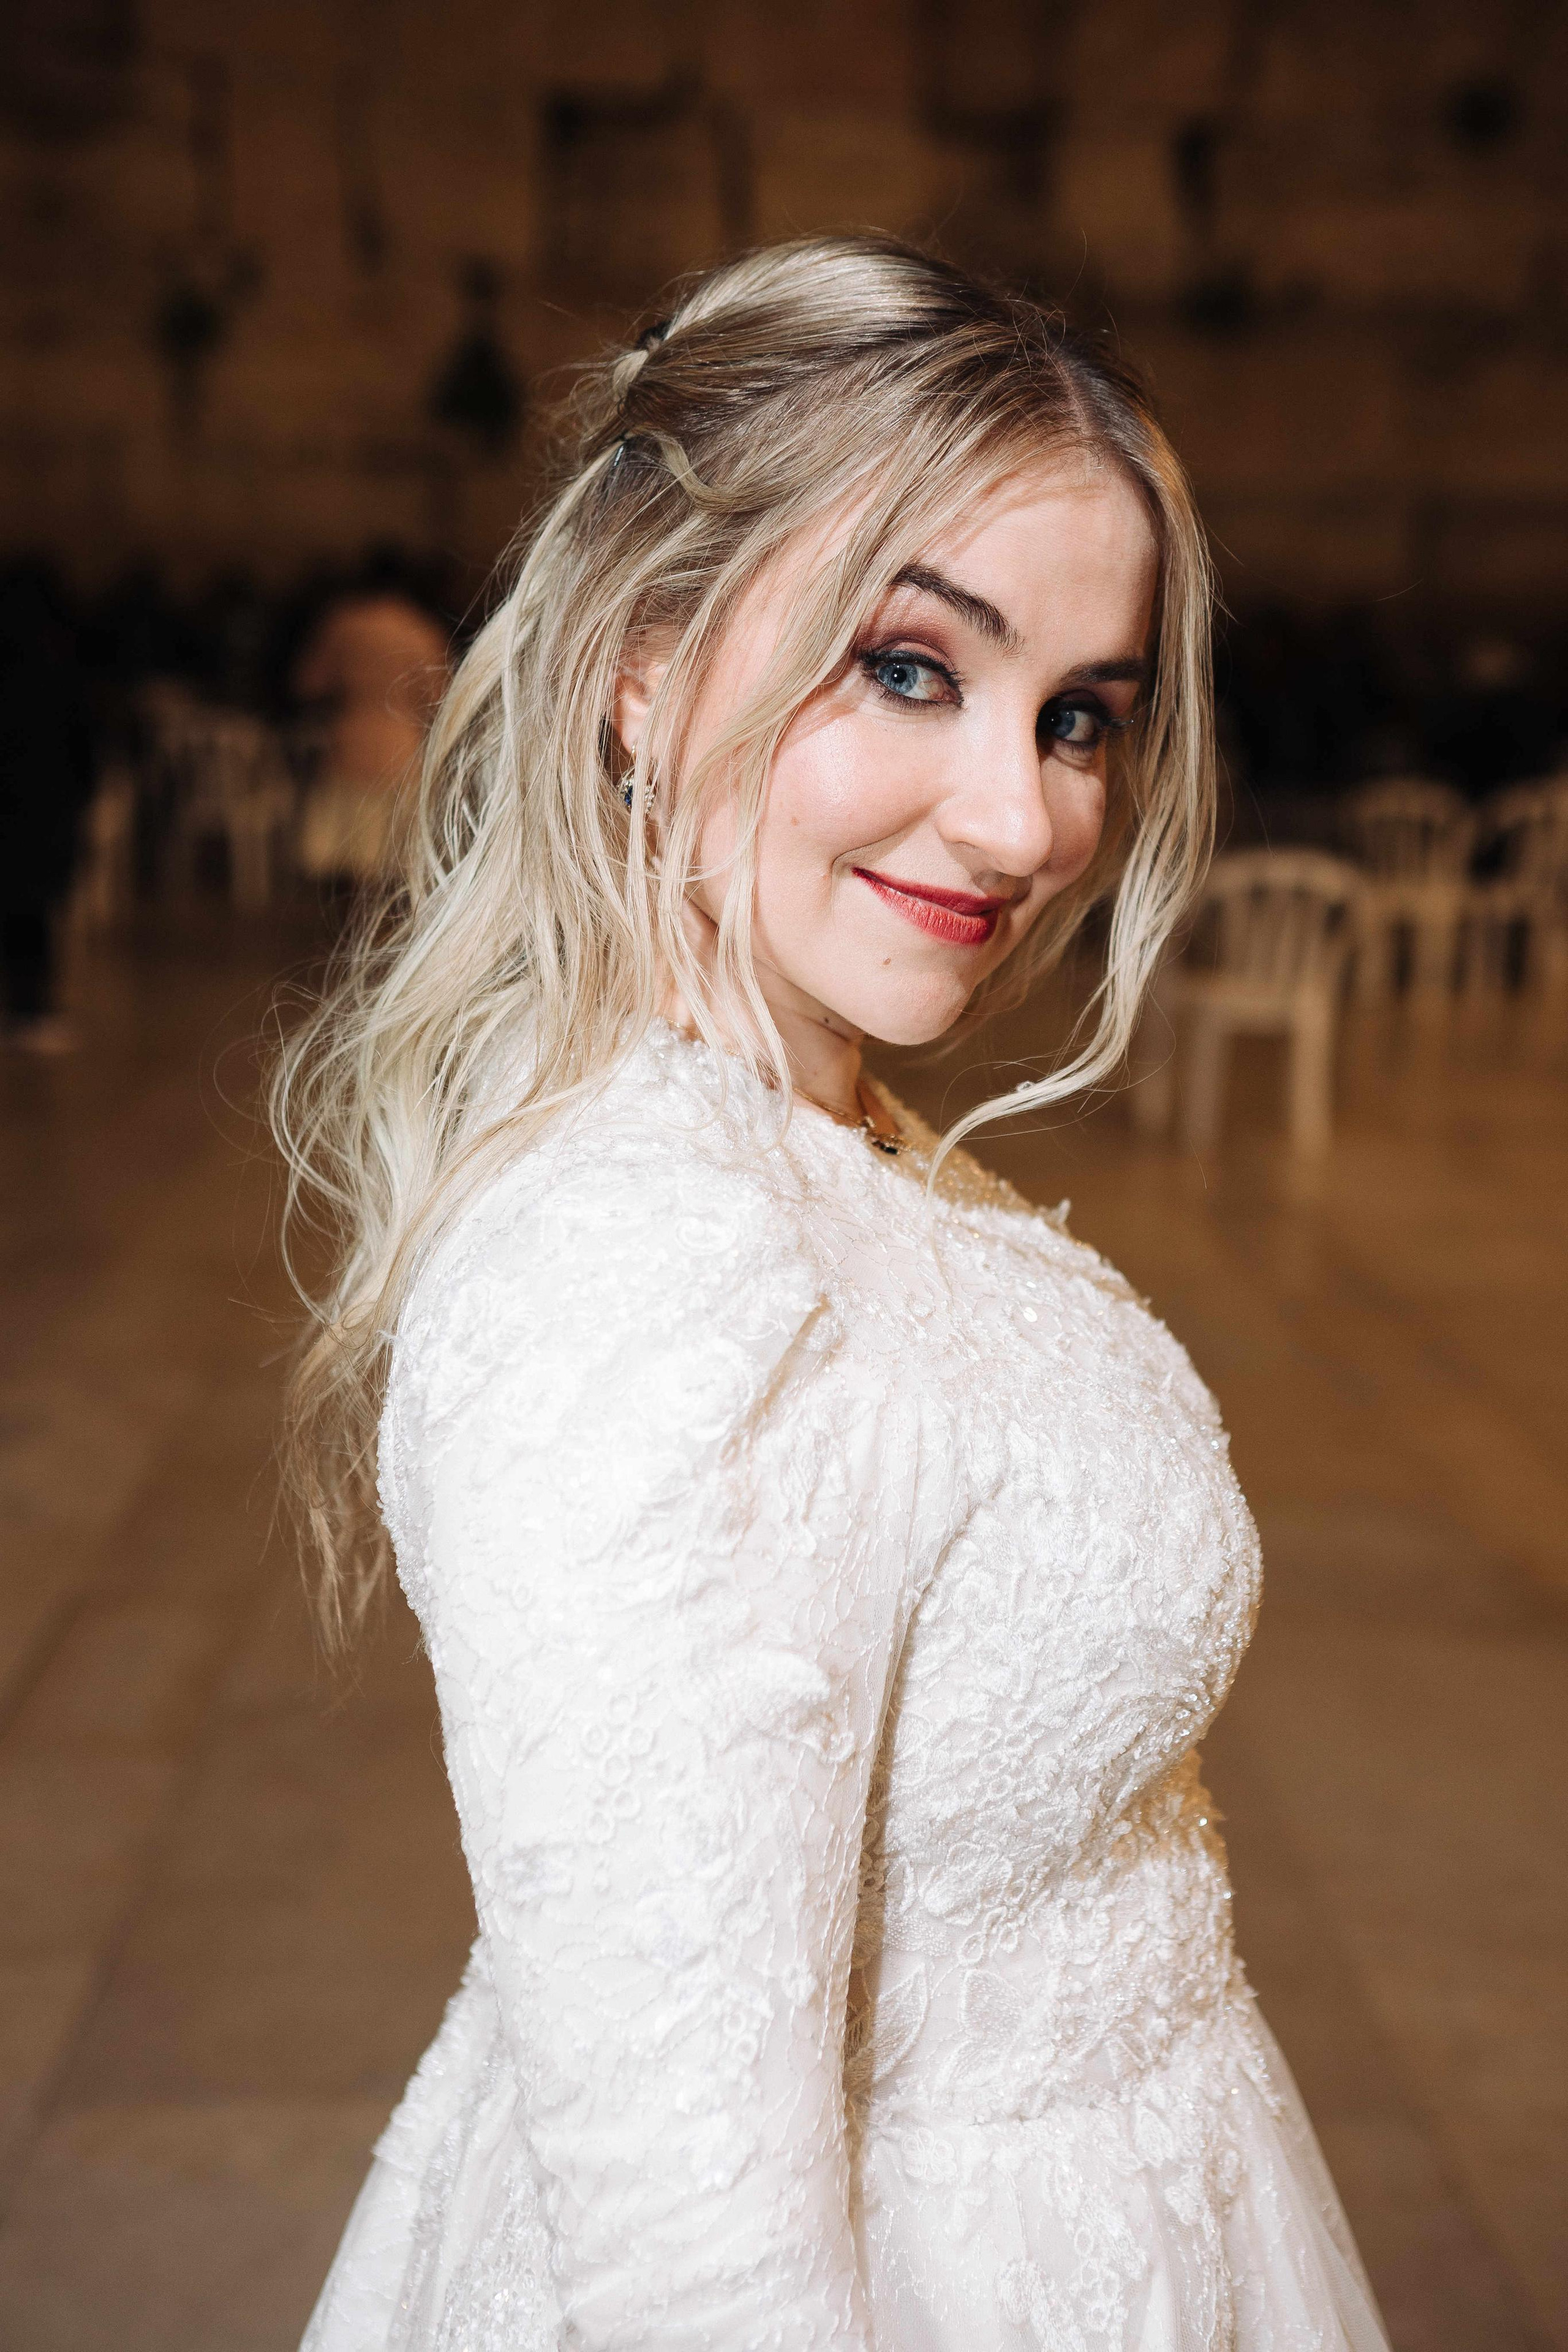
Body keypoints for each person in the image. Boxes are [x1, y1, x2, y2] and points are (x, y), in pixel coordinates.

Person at [277, 238, 1390, 2351]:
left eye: (1080, 715)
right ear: (643, 655)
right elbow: (697, 2263)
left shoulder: (809, 1139)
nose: (1023, 817)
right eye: (907, 667)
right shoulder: (641, 1267)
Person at [292, 553, 449, 889]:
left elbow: (309, 684)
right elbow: (439, 698)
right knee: (396, 865)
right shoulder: (419, 629)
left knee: (348, 861)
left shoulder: (344, 625)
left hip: (351, 741)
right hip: (402, 749)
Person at [0, 562, 96, 1053]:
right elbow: (85, 753)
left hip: (28, 809)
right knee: (31, 913)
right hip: (44, 812)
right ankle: (29, 1009)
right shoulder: (60, 671)